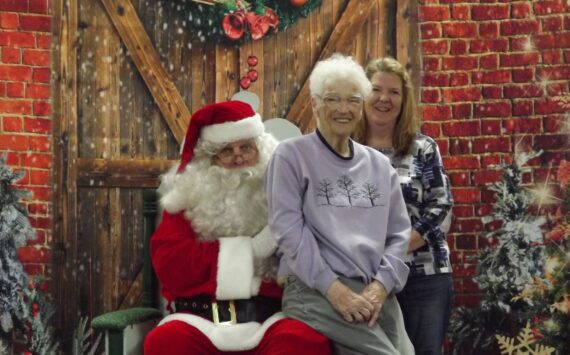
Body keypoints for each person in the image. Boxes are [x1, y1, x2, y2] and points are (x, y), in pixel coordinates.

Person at [144, 100, 332, 354]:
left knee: (303, 342)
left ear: (262, 151)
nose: (238, 157)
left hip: (270, 318)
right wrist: (250, 251)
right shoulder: (185, 200)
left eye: (246, 147)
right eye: (226, 151)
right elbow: (172, 264)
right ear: (210, 159)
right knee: (167, 342)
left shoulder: (282, 193)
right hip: (199, 320)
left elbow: (308, 258)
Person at [265, 53, 414, 355]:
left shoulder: (379, 166)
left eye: (353, 100)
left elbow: (399, 234)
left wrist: (380, 286)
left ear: (362, 107)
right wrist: (334, 289)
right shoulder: (291, 156)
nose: (343, 109)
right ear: (315, 104)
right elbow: (288, 230)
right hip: (313, 288)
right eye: (333, 99)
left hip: (374, 289)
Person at [354, 57, 454, 355]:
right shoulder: (345, 151)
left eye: (394, 92)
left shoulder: (422, 148)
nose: (384, 98)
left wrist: (395, 249)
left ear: (404, 99)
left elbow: (441, 207)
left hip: (424, 277)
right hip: (364, 279)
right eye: (376, 89)